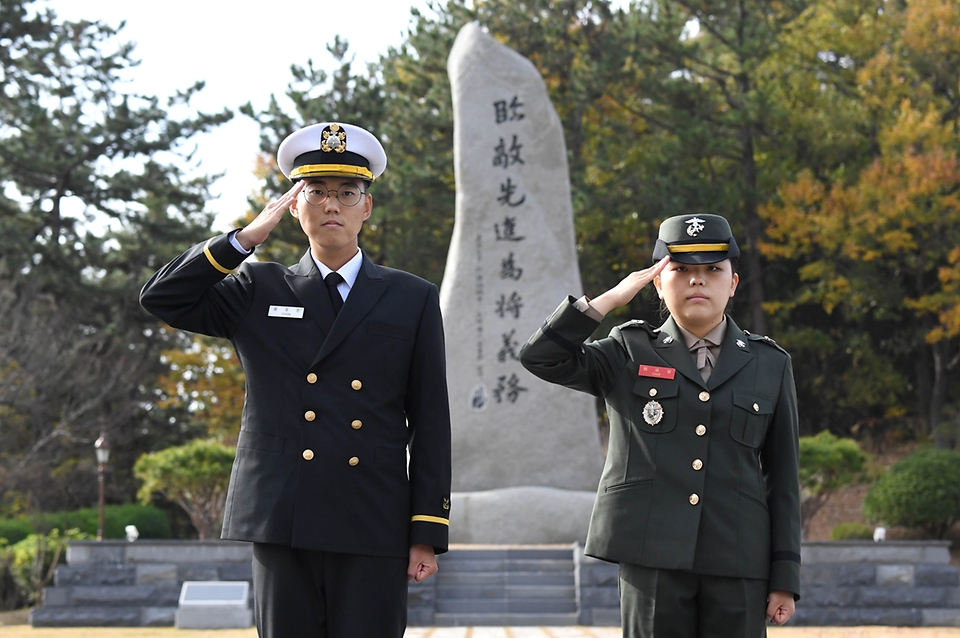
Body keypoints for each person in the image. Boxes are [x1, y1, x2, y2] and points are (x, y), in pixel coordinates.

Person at [140, 122, 452, 638]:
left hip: (372, 515)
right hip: (284, 515)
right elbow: (164, 298)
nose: (332, 205)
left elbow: (430, 420)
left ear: (366, 208)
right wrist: (244, 239)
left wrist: (427, 530)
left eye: (347, 193)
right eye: (316, 193)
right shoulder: (258, 286)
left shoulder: (411, 297)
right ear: (295, 205)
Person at [519, 214, 800, 637]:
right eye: (682, 270)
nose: (697, 282)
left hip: (739, 558)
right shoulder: (628, 350)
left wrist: (785, 579)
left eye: (712, 271)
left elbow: (783, 478)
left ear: (733, 284)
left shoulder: (769, 364)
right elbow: (541, 358)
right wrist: (607, 301)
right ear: (656, 282)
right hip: (651, 556)